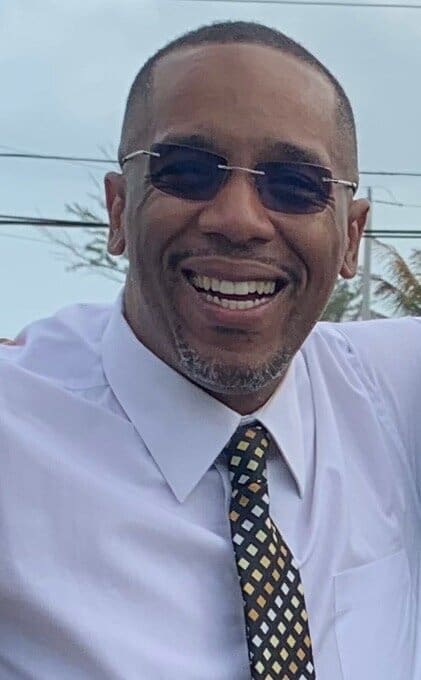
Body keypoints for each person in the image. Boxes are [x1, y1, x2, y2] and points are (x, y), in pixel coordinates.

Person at [0, 20, 420, 680]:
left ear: (350, 238)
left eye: (294, 185)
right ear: (117, 211)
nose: (238, 220)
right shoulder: (14, 437)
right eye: (188, 172)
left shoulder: (394, 395)